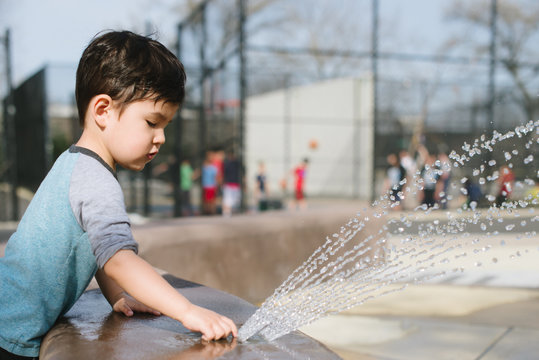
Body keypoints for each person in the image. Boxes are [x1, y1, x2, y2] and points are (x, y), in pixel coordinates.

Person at [0, 31, 236, 360]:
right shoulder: (96, 179)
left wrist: (117, 297)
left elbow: (94, 247)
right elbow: (118, 259)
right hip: (11, 336)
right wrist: (187, 311)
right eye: (153, 122)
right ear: (103, 111)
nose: (161, 138)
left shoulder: (76, 163)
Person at [221, 151, 241, 216]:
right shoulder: (228, 164)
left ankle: (228, 211)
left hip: (234, 184)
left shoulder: (236, 164)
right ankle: (226, 211)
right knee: (228, 199)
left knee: (232, 199)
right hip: (229, 184)